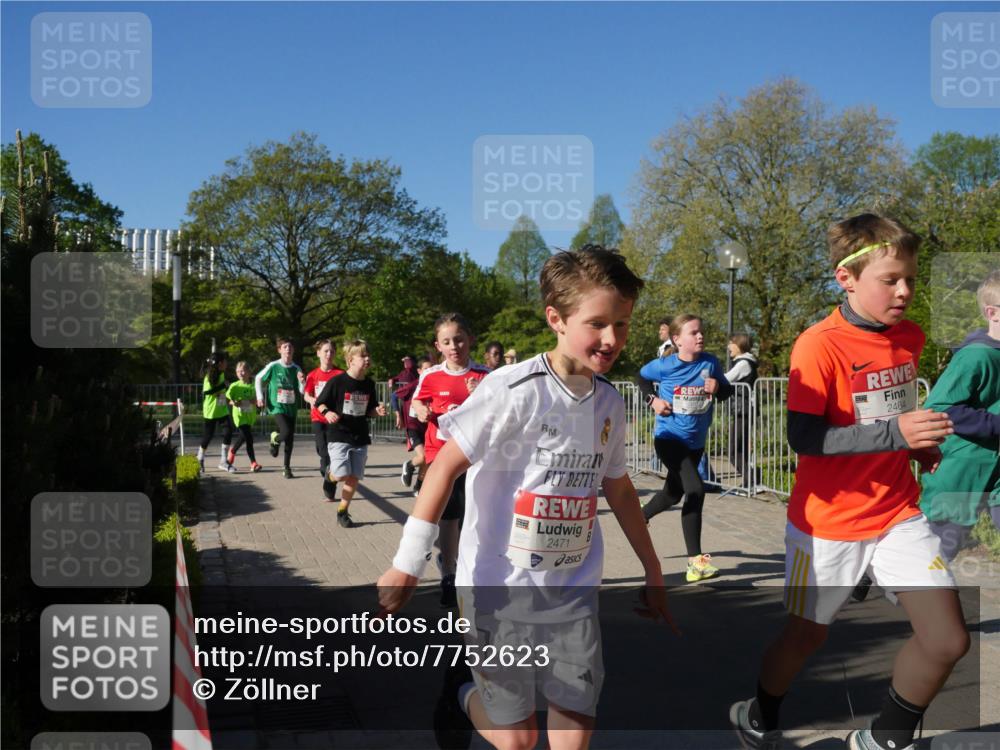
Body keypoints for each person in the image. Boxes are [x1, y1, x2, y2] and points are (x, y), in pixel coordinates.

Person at [377, 245, 674, 750]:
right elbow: (444, 465)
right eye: (598, 323)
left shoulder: (608, 403)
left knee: (575, 724)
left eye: (622, 324)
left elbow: (619, 489)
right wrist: (408, 562)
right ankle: (463, 694)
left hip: (572, 592)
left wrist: (652, 570)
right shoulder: (512, 389)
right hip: (497, 589)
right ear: (556, 319)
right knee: (517, 740)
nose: (611, 339)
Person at [729, 214, 968, 750]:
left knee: (947, 639)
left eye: (911, 278)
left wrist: (917, 443)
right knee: (806, 636)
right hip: (828, 524)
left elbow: (891, 413)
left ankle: (883, 739)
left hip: (897, 513)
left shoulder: (909, 337)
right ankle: (759, 714)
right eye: (890, 280)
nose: (905, 291)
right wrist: (896, 432)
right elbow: (806, 438)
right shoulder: (818, 345)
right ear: (847, 279)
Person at [637, 315, 734, 582]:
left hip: (695, 442)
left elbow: (726, 392)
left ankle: (639, 516)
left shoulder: (711, 362)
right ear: (677, 340)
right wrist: (652, 400)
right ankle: (696, 563)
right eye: (694, 333)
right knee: (695, 489)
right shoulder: (665, 365)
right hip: (669, 437)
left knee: (672, 494)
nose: (700, 336)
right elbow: (641, 378)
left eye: (701, 332)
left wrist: (718, 388)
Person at [919, 269, 1000, 560]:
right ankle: (877, 573)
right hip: (962, 470)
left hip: (995, 471)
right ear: (993, 313)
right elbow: (940, 407)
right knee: (937, 555)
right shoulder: (976, 356)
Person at [411, 313, 490, 607]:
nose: (454, 346)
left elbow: (502, 412)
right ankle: (449, 573)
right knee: (450, 514)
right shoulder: (430, 376)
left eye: (459, 339)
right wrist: (419, 410)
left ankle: (470, 567)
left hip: (475, 455)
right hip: (440, 454)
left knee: (475, 513)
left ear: (470, 339)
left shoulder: (485, 376)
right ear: (438, 346)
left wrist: (482, 396)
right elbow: (418, 400)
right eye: (447, 342)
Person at [314, 340, 387, 527]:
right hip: (339, 434)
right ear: (350, 360)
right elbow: (320, 403)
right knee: (341, 474)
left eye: (368, 355)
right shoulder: (337, 381)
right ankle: (330, 477)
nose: (367, 358)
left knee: (354, 476)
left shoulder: (369, 384)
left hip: (359, 435)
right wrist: (327, 413)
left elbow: (369, 410)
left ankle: (342, 511)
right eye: (362, 355)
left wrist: (376, 412)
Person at [255, 337, 306, 479]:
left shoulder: (296, 368)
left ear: (293, 350)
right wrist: (260, 397)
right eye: (284, 347)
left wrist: (303, 381)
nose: (288, 349)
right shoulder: (273, 366)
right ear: (279, 350)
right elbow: (258, 378)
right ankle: (275, 439)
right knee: (286, 431)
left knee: (290, 438)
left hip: (292, 406)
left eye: (290, 347)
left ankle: (286, 467)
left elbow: (302, 391)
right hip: (276, 406)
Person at [303, 340, 344, 499]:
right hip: (318, 417)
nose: (329, 354)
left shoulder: (340, 374)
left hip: (334, 419)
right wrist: (311, 400)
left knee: (332, 453)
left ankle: (330, 484)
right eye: (325, 351)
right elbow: (306, 394)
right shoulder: (313, 375)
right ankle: (326, 469)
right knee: (323, 450)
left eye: (332, 351)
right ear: (318, 353)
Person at [724, 333, 759, 491]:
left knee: (732, 451)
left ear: (740, 345)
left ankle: (751, 481)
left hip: (743, 411)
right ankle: (749, 482)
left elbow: (727, 379)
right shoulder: (743, 361)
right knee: (740, 449)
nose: (729, 347)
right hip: (742, 411)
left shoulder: (744, 363)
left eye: (731, 343)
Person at [392, 354, 427, 492]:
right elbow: (394, 396)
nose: (429, 372)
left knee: (428, 460)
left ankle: (418, 486)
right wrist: (398, 414)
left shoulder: (435, 386)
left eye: (432, 369)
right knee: (423, 456)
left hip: (428, 427)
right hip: (413, 426)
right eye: (426, 369)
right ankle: (410, 465)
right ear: (419, 371)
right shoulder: (414, 385)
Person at [197, 351, 235, 473]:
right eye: (225, 361)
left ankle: (224, 461)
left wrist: (225, 389)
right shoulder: (209, 376)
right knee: (208, 436)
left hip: (222, 408)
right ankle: (200, 458)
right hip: (211, 410)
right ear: (219, 363)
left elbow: (221, 390)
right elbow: (207, 392)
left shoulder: (222, 374)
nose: (226, 363)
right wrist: (223, 386)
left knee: (228, 431)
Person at [226, 361, 262, 472]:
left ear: (248, 372)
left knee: (243, 437)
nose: (240, 373)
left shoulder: (253, 386)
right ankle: (253, 463)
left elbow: (258, 400)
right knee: (249, 438)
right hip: (239, 416)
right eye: (238, 371)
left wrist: (254, 401)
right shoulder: (234, 386)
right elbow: (226, 399)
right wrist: (234, 403)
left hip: (250, 415)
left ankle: (232, 451)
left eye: (243, 371)